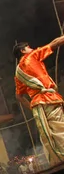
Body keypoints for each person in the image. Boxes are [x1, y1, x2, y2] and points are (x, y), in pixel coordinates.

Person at [14, 37, 64, 165]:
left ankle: (57, 160)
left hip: (38, 105)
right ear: (23, 51)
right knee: (60, 128)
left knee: (52, 132)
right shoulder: (31, 57)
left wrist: (31, 108)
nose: (32, 48)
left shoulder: (18, 73)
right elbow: (54, 43)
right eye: (29, 47)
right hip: (49, 99)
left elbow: (18, 96)